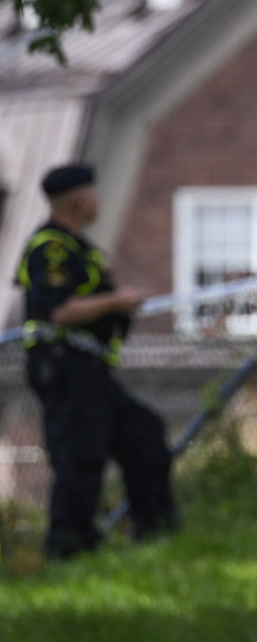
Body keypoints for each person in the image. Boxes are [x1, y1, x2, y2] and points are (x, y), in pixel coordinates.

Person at [15, 164, 179, 560]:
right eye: (94, 192)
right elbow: (59, 311)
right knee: (79, 454)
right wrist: (116, 301)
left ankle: (155, 532)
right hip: (65, 365)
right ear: (78, 200)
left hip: (91, 369)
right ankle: (70, 548)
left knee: (143, 436)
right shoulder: (50, 248)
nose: (98, 201)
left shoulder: (79, 248)